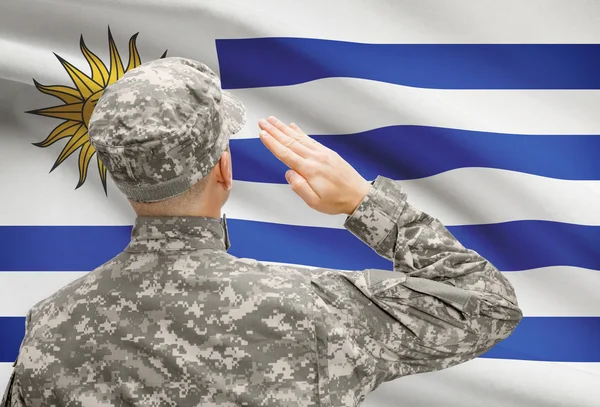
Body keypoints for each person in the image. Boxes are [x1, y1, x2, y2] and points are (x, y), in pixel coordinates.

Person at [1, 57, 522, 407]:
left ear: (121, 176)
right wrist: (367, 205)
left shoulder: (51, 325)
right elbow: (487, 305)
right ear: (224, 168)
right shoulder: (319, 310)